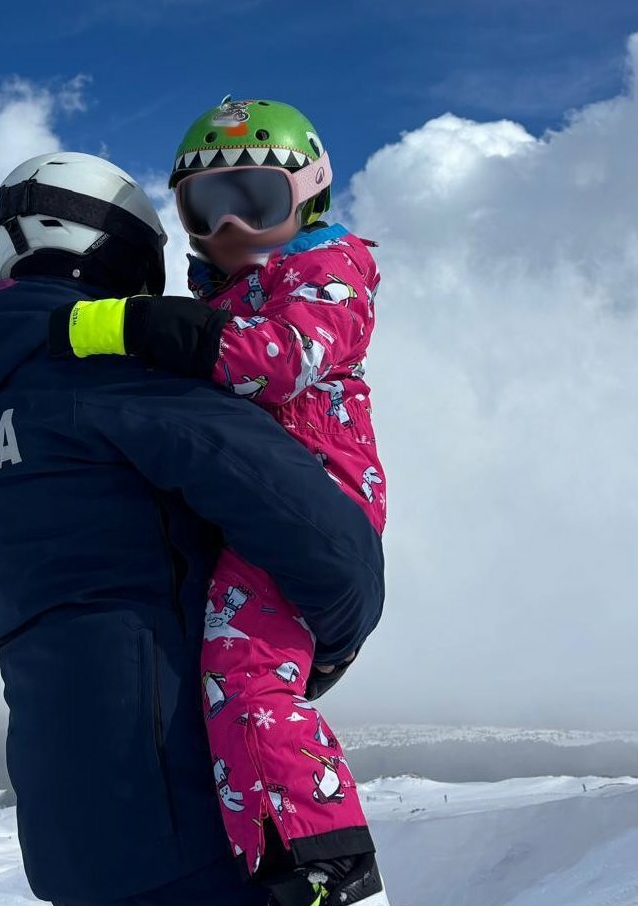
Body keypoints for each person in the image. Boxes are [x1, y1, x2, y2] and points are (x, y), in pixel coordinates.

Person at [0, 151, 386, 906]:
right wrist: (323, 644)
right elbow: (330, 545)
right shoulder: (112, 377)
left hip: (69, 832)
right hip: (190, 817)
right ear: (123, 251)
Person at [49, 100, 388, 905]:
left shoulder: (327, 272)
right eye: (207, 206)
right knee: (215, 687)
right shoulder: (226, 295)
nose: (231, 225)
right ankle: (260, 859)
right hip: (243, 503)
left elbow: (277, 361)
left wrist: (125, 328)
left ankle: (328, 865)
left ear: (308, 198)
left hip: (307, 495)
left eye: (255, 200)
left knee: (245, 680)